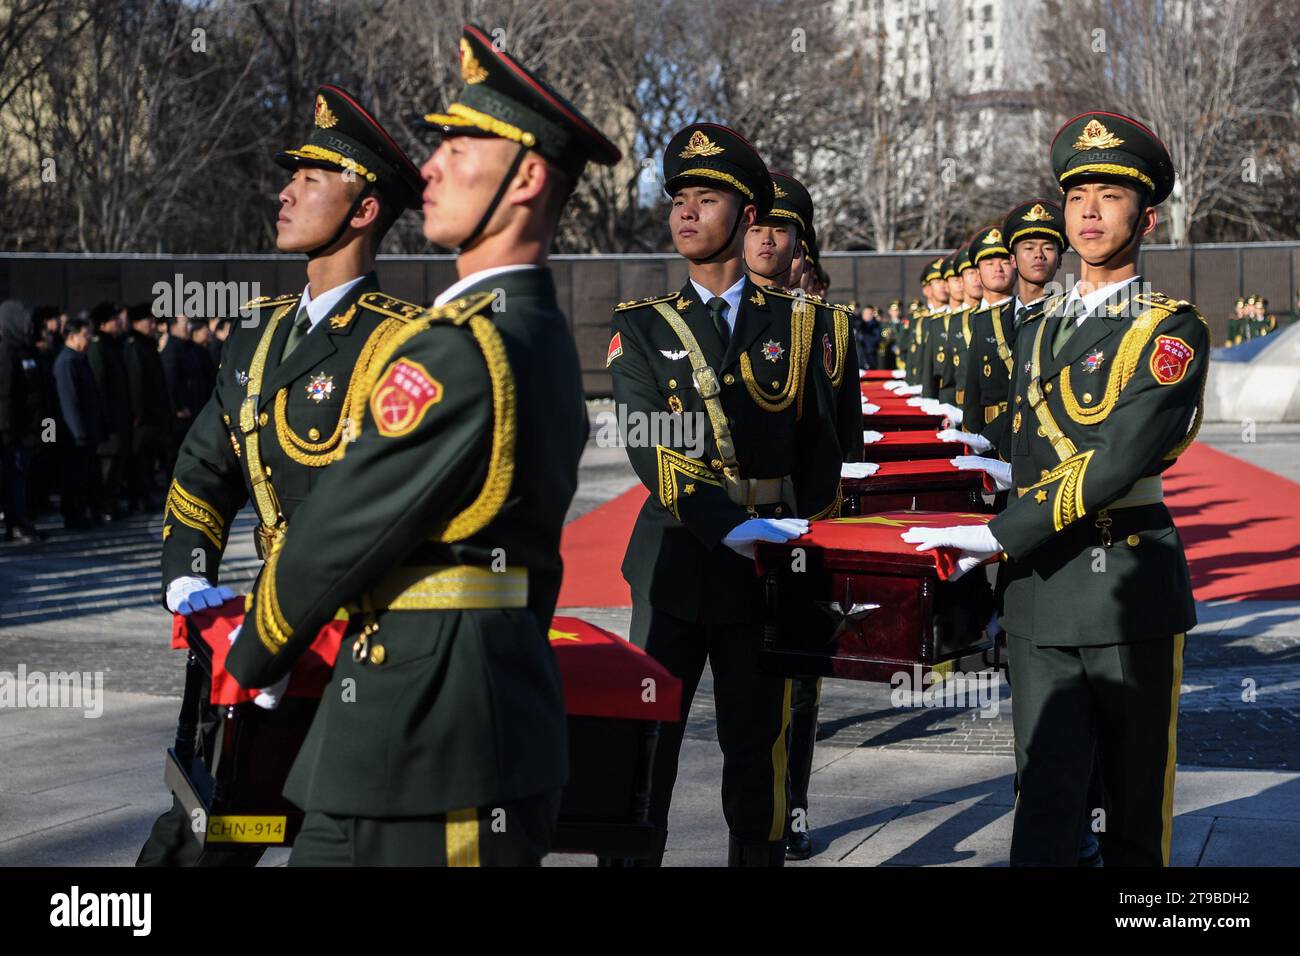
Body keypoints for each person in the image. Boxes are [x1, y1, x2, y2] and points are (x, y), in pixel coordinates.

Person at [223, 24, 622, 867]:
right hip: (423, 735)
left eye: (459, 145)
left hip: (435, 748)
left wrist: (254, 647)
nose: (432, 165)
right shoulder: (530, 331)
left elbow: (343, 523)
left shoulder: (465, 348)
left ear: (528, 178)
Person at [904, 111, 1206, 867]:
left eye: (1110, 195)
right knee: (1042, 801)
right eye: (1077, 197)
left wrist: (994, 534)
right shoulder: (1038, 327)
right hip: (1041, 591)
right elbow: (1028, 454)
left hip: (1123, 587)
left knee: (1135, 809)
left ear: (1148, 215)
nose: (1091, 213)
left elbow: (1114, 460)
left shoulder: (1171, 331)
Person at [138, 83, 426, 867]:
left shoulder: (405, 344)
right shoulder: (258, 333)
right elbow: (204, 468)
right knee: (197, 837)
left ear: (364, 209)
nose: (285, 190)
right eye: (290, 174)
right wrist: (187, 576)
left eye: (311, 177)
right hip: (265, 637)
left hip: (361, 648)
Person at [608, 122, 842, 867]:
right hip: (677, 558)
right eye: (678, 197)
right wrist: (728, 525)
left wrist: (809, 556)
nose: (684, 212)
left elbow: (821, 454)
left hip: (770, 565)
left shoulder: (801, 325)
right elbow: (649, 441)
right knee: (647, 747)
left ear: (745, 217)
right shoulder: (641, 329)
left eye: (705, 198)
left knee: (757, 751)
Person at [0, 299, 46, 542]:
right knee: (14, 478)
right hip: (15, 432)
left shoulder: (27, 349)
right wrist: (6, 429)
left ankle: (23, 519)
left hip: (31, 429)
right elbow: (6, 395)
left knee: (23, 478)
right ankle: (14, 523)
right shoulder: (7, 351)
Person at [52, 318, 105, 530]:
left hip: (85, 432)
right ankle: (74, 516)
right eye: (85, 334)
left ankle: (83, 512)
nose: (89, 339)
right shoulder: (66, 361)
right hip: (74, 435)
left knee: (85, 476)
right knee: (74, 478)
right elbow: (69, 400)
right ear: (72, 336)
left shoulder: (79, 359)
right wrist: (79, 432)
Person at [122, 304, 172, 510]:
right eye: (148, 321)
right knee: (140, 460)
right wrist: (138, 413)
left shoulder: (147, 344)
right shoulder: (134, 346)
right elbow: (136, 382)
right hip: (144, 416)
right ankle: (139, 499)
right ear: (136, 323)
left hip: (155, 414)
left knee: (149, 459)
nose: (153, 325)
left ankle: (144, 497)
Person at [85, 302, 131, 520]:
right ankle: (102, 506)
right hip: (108, 421)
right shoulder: (97, 348)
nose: (119, 323)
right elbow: (100, 387)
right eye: (114, 320)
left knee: (117, 466)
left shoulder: (113, 345)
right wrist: (105, 419)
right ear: (103, 324)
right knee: (107, 466)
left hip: (119, 419)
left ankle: (111, 504)